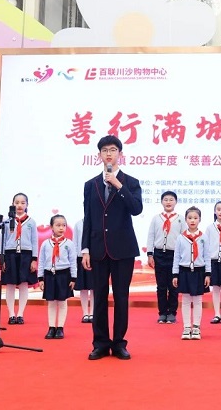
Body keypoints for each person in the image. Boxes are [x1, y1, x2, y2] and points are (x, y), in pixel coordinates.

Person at [81, 135, 143, 361]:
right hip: (97, 248)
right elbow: (88, 218)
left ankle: (119, 343)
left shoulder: (131, 182)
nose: (109, 154)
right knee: (99, 297)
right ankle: (100, 343)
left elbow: (136, 209)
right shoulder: (91, 185)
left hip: (123, 249)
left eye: (113, 150)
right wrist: (85, 249)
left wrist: (119, 185)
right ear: (99, 155)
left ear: (120, 154)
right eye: (105, 150)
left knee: (121, 297)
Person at [172, 206, 210, 340]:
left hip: (199, 272)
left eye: (195, 218)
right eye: (189, 218)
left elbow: (207, 256)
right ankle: (187, 327)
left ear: (200, 219)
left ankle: (196, 327)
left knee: (198, 301)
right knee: (186, 300)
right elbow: (177, 257)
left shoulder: (204, 237)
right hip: (185, 272)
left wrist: (208, 274)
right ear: (185, 220)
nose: (192, 220)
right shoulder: (181, 238)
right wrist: (175, 274)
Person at [146, 191, 184, 324]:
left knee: (173, 285)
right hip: (159, 255)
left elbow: (184, 238)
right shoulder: (156, 218)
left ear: (176, 202)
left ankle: (172, 312)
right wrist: (150, 254)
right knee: (161, 286)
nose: (168, 202)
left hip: (175, 255)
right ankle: (162, 313)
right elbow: (151, 236)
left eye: (171, 199)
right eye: (166, 199)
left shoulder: (180, 219)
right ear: (161, 202)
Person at [0, 193, 37, 325]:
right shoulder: (7, 221)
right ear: (12, 204)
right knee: (10, 284)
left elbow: (34, 241)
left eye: (22, 203)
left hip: (26, 255)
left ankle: (20, 313)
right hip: (10, 255)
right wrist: (2, 258)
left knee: (23, 284)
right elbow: (3, 240)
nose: (19, 205)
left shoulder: (31, 222)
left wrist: (34, 259)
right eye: (17, 203)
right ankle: (11, 314)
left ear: (27, 205)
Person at [38, 215, 77, 339]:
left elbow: (73, 262)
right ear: (51, 227)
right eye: (58, 225)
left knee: (62, 302)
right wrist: (40, 278)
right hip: (49, 275)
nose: (61, 228)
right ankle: (51, 327)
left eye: (63, 225)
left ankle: (60, 328)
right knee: (51, 302)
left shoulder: (69, 244)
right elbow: (41, 261)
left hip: (63, 275)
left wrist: (73, 278)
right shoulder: (45, 244)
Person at [73, 218, 94, 323]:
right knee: (83, 288)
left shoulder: (97, 221)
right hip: (81, 259)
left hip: (95, 258)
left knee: (94, 288)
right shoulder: (78, 224)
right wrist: (75, 259)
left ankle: (93, 313)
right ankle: (85, 313)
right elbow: (75, 243)